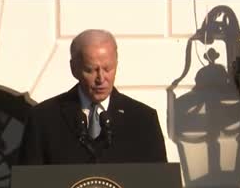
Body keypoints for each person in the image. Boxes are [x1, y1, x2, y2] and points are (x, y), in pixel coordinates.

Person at [18, 29, 167, 165]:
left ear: (116, 64)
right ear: (74, 68)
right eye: (90, 70)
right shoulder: (43, 118)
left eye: (108, 68)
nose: (101, 78)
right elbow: (29, 186)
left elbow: (159, 185)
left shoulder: (143, 119)